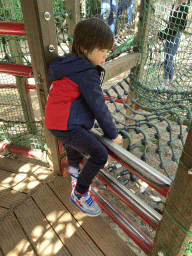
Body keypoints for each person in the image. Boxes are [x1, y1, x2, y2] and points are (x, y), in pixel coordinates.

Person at [45, 18, 122, 217]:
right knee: (99, 154)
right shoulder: (87, 73)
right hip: (66, 125)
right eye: (102, 51)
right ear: (85, 49)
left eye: (107, 52)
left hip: (55, 121)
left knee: (73, 152)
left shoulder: (70, 64)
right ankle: (79, 193)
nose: (105, 57)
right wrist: (112, 134)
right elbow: (99, 106)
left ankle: (75, 178)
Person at [155, 0, 189, 90]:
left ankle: (167, 83)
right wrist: (163, 34)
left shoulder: (184, 7)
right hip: (169, 35)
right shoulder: (174, 5)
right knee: (166, 59)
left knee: (169, 60)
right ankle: (168, 80)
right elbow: (170, 25)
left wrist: (160, 35)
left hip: (174, 35)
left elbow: (179, 25)